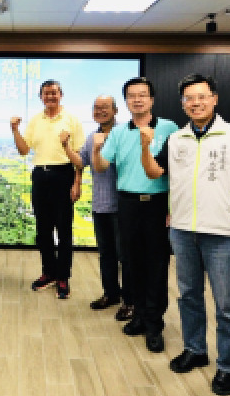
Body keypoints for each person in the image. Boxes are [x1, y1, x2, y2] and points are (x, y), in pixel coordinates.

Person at [142, 74, 230, 395]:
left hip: (222, 233)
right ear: (183, 103)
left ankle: (228, 367)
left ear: (214, 99)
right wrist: (144, 145)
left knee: (226, 305)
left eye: (202, 97)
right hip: (182, 230)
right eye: (189, 98)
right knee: (189, 296)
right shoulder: (176, 139)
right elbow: (155, 172)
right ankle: (195, 349)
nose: (195, 103)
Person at [91, 76, 178, 353]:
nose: (137, 99)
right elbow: (101, 166)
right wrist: (96, 148)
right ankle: (139, 314)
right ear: (126, 101)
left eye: (142, 95)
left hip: (157, 204)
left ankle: (154, 324)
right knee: (131, 263)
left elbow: (178, 170)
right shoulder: (118, 133)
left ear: (152, 99)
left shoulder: (169, 128)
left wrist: (172, 207)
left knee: (156, 264)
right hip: (127, 204)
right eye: (132, 96)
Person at [11, 79, 85, 299]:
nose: (50, 96)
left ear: (61, 95)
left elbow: (79, 157)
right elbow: (24, 150)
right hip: (40, 176)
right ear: (41, 97)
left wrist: (77, 182)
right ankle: (49, 272)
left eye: (54, 92)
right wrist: (15, 130)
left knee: (64, 231)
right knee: (43, 231)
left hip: (64, 175)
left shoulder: (72, 119)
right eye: (46, 93)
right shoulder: (36, 120)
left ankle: (63, 277)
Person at [75, 95, 133, 319]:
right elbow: (81, 162)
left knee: (125, 256)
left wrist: (101, 148)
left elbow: (115, 165)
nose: (100, 111)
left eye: (105, 107)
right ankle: (111, 294)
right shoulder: (92, 137)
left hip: (121, 206)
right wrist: (65, 146)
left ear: (115, 110)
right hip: (100, 204)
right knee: (106, 254)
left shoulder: (124, 134)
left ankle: (130, 301)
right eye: (96, 107)